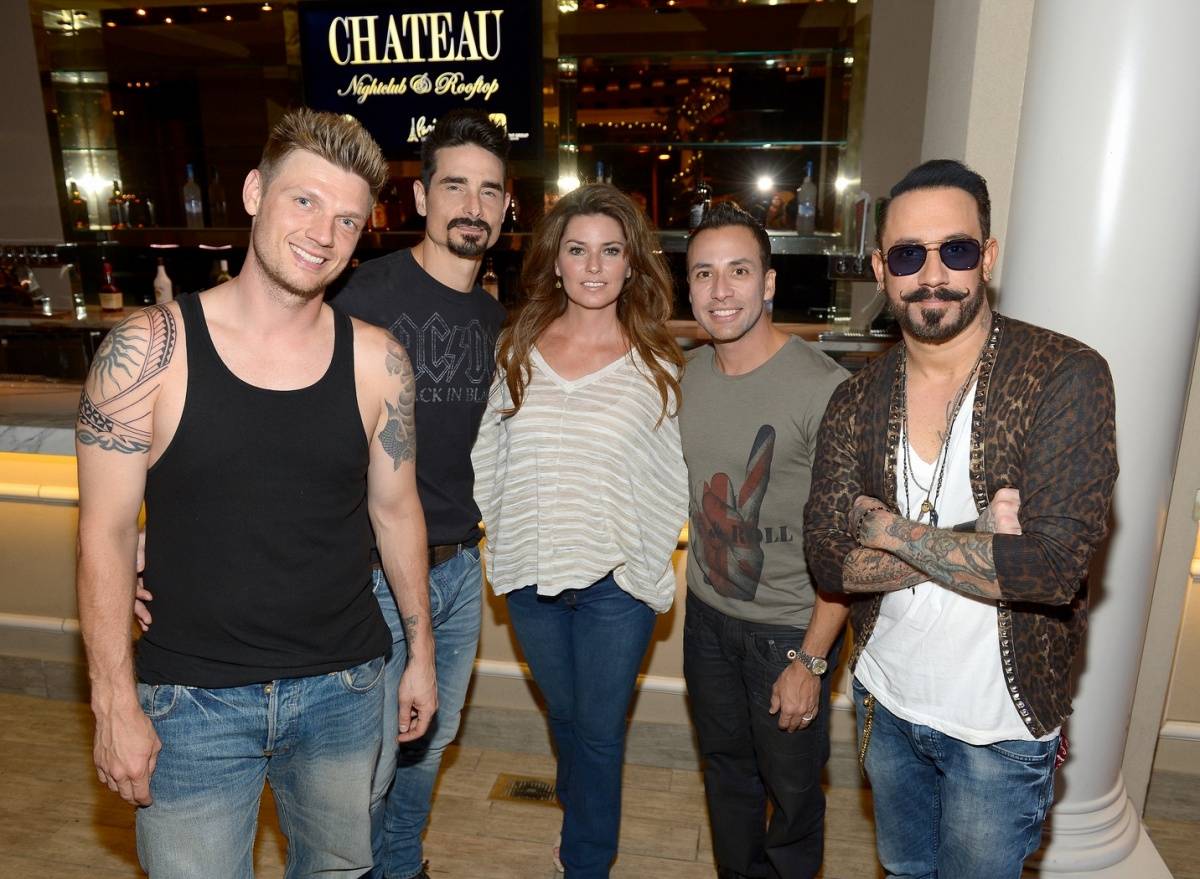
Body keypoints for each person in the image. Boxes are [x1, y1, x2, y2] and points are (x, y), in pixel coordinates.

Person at [75, 108, 436, 878]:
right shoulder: (146, 352)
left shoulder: (380, 363)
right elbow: (104, 532)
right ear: (252, 193)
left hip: (345, 687)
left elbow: (397, 510)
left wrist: (423, 654)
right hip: (190, 700)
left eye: (347, 219)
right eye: (304, 200)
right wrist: (112, 701)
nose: (323, 233)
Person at [804, 159, 1118, 878]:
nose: (933, 274)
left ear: (988, 256)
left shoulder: (1061, 376)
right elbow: (828, 560)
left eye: (957, 249)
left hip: (999, 728)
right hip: (886, 700)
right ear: (882, 269)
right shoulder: (856, 399)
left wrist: (886, 529)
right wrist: (980, 541)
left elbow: (1049, 570)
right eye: (908, 255)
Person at [471, 183, 688, 878]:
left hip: (615, 586)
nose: (594, 267)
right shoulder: (517, 347)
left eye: (610, 251)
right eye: (578, 250)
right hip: (531, 576)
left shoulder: (655, 361)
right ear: (556, 262)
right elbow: (489, 456)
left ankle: (585, 860)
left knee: (597, 731)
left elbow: (670, 478)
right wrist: (503, 539)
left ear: (631, 264)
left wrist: (645, 566)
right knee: (565, 716)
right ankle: (578, 804)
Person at [334, 109, 509, 879]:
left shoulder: (495, 319)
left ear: (507, 207)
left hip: (460, 570)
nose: (472, 206)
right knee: (366, 769)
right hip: (371, 572)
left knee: (427, 747)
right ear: (419, 198)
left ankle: (401, 868)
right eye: (455, 186)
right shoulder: (360, 295)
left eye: (489, 191)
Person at [678, 201, 849, 879]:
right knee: (726, 778)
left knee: (794, 798)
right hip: (707, 620)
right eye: (704, 273)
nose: (721, 290)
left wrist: (811, 659)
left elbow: (850, 543)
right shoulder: (687, 376)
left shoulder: (822, 388)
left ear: (769, 282)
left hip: (788, 631)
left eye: (739, 271)